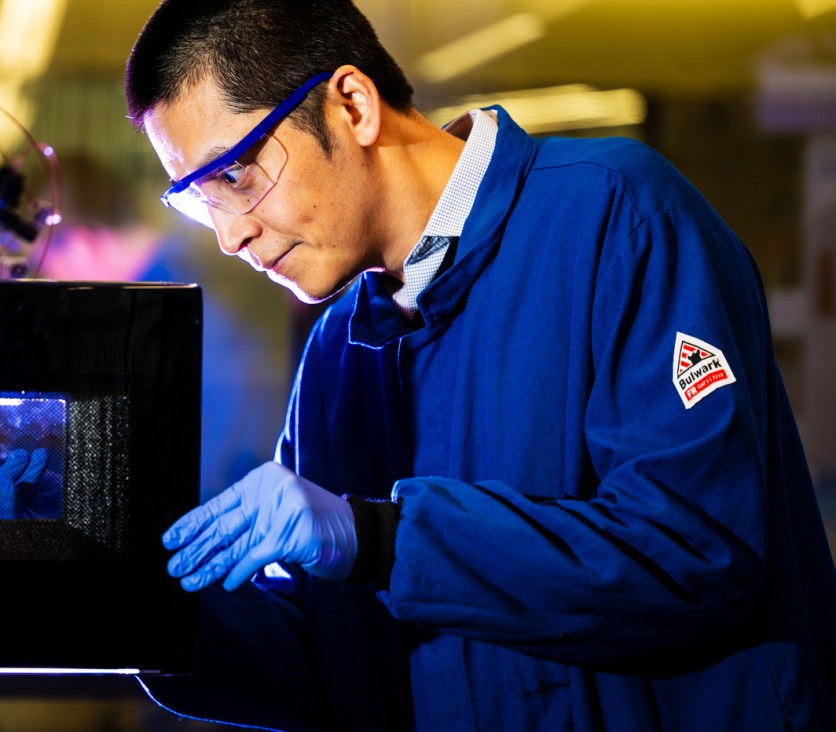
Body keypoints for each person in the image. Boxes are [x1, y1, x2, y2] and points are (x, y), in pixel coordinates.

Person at [123, 1, 836, 730]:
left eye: (236, 176)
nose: (230, 236)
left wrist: (382, 539)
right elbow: (338, 666)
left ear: (353, 106)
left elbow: (695, 552)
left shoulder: (618, 215)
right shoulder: (340, 353)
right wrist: (137, 607)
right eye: (197, 201)